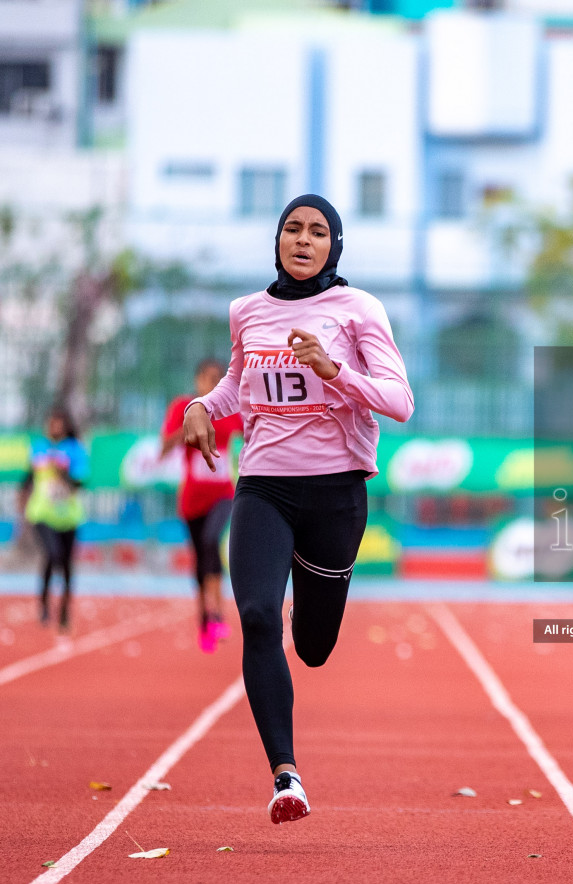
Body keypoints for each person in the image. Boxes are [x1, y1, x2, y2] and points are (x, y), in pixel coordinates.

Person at [181, 194, 413, 823]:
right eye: (291, 229)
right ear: (277, 239)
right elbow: (238, 383)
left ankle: (324, 594)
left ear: (334, 245)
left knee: (312, 647)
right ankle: (286, 776)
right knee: (257, 616)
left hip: (336, 494)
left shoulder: (359, 309)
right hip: (263, 487)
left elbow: (399, 400)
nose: (302, 240)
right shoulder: (247, 312)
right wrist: (202, 406)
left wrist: (334, 370)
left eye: (317, 232)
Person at [162, 358, 244, 653]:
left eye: (218, 378)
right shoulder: (184, 406)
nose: (212, 383)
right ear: (197, 379)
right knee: (200, 556)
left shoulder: (231, 409)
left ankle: (219, 613)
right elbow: (164, 448)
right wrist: (188, 426)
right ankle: (204, 618)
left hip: (222, 494)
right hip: (192, 499)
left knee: (212, 541)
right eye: (207, 378)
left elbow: (253, 434)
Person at [20, 407, 90, 633]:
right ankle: (43, 602)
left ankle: (64, 611)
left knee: (67, 564)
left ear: (66, 425)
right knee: (52, 554)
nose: (54, 427)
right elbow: (27, 479)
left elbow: (80, 483)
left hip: (68, 516)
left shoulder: (76, 450)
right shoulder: (39, 447)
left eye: (59, 423)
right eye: (52, 422)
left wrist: (61, 471)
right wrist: (21, 506)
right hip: (42, 513)